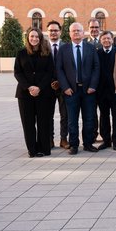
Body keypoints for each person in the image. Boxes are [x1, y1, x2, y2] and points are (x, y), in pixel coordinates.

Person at [56, 22, 100, 155]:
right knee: (72, 120)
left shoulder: (90, 48)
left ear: (83, 33)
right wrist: (65, 87)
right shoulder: (63, 49)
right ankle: (74, 145)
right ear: (69, 33)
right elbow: (59, 69)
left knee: (89, 118)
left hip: (88, 91)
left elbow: (96, 67)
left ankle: (88, 144)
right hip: (71, 91)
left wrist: (93, 85)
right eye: (73, 31)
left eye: (78, 31)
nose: (76, 33)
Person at [14, 28, 55, 158]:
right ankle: (32, 149)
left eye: (37, 37)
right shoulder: (21, 53)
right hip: (25, 94)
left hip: (44, 93)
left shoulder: (47, 53)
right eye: (32, 36)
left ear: (40, 38)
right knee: (28, 123)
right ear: (28, 38)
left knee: (44, 122)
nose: (34, 39)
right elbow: (17, 72)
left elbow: (50, 72)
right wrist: (29, 87)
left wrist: (39, 88)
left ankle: (43, 148)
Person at [96, 31, 116, 151]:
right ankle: (106, 140)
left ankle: (115, 140)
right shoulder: (97, 53)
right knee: (104, 116)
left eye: (108, 38)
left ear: (112, 40)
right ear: (101, 40)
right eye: (104, 39)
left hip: (114, 90)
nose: (106, 41)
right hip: (101, 91)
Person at [46, 20, 69, 149]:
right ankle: (49, 139)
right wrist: (50, 82)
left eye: (56, 30)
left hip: (63, 86)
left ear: (60, 32)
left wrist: (61, 82)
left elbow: (70, 68)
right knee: (48, 114)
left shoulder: (66, 47)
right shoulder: (42, 47)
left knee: (64, 114)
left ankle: (63, 139)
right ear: (47, 32)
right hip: (47, 87)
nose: (53, 32)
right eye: (51, 30)